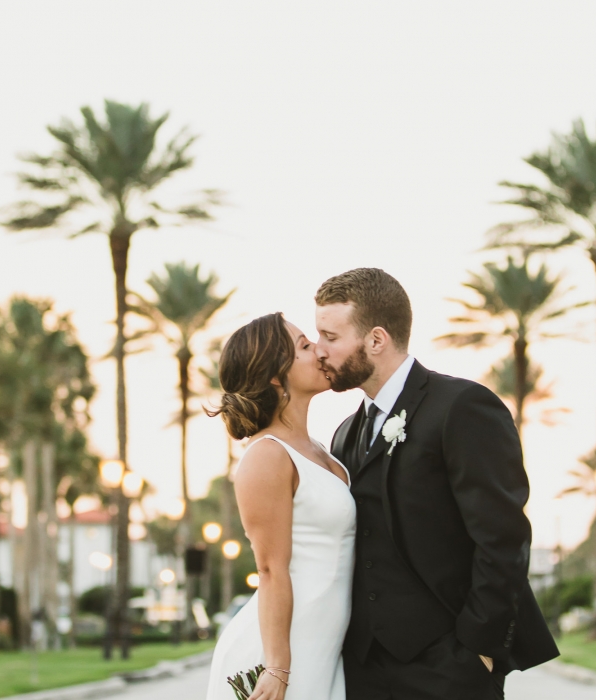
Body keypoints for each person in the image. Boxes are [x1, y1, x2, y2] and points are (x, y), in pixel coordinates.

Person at [315, 268, 558, 700]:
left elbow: (503, 538)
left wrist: (478, 650)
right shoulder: (344, 433)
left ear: (375, 340)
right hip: (363, 671)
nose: (319, 351)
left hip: (449, 668)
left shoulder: (462, 407)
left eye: (330, 337)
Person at [205, 312, 356, 700]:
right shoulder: (267, 456)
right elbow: (270, 569)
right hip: (280, 654)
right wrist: (276, 667)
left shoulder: (324, 451)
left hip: (323, 645)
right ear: (275, 375)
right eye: (305, 346)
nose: (320, 351)